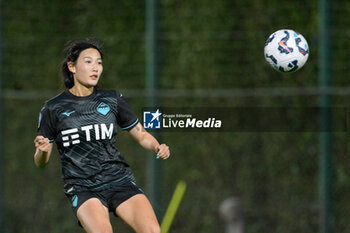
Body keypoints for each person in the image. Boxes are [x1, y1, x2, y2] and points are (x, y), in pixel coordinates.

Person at [33, 38, 170, 233]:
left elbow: (141, 135)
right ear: (72, 67)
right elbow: (41, 162)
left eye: (99, 62)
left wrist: (156, 146)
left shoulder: (112, 99)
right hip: (82, 187)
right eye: (88, 62)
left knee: (153, 230)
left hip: (119, 180)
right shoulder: (53, 108)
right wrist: (42, 151)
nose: (95, 67)